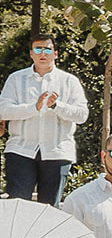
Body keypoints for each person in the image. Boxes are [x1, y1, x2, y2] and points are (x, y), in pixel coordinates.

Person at [0, 33, 89, 205]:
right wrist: (34, 107)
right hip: (20, 149)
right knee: (17, 206)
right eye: (38, 49)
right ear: (31, 53)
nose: (43, 53)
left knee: (49, 208)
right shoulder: (16, 79)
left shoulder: (69, 81)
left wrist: (57, 106)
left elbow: (82, 115)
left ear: (55, 53)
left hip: (57, 150)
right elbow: (3, 110)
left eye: (48, 48)